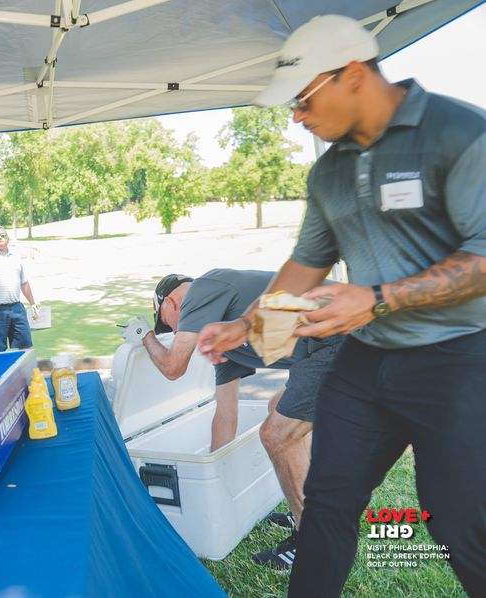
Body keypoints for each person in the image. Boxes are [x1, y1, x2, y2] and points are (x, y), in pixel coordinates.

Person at [197, 15, 486, 597]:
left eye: (302, 100)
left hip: (456, 358)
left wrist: (377, 299)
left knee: (457, 517)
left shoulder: (460, 132)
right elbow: (307, 263)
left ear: (354, 75)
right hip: (365, 359)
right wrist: (246, 324)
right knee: (327, 502)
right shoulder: (328, 172)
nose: (296, 117)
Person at [122, 269, 342, 569]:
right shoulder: (224, 341)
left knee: (277, 434)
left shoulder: (202, 287)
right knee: (279, 408)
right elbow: (225, 415)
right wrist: (212, 474)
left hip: (345, 333)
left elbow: (174, 367)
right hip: (321, 349)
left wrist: (146, 336)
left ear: (172, 302)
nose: (173, 331)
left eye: (168, 323)